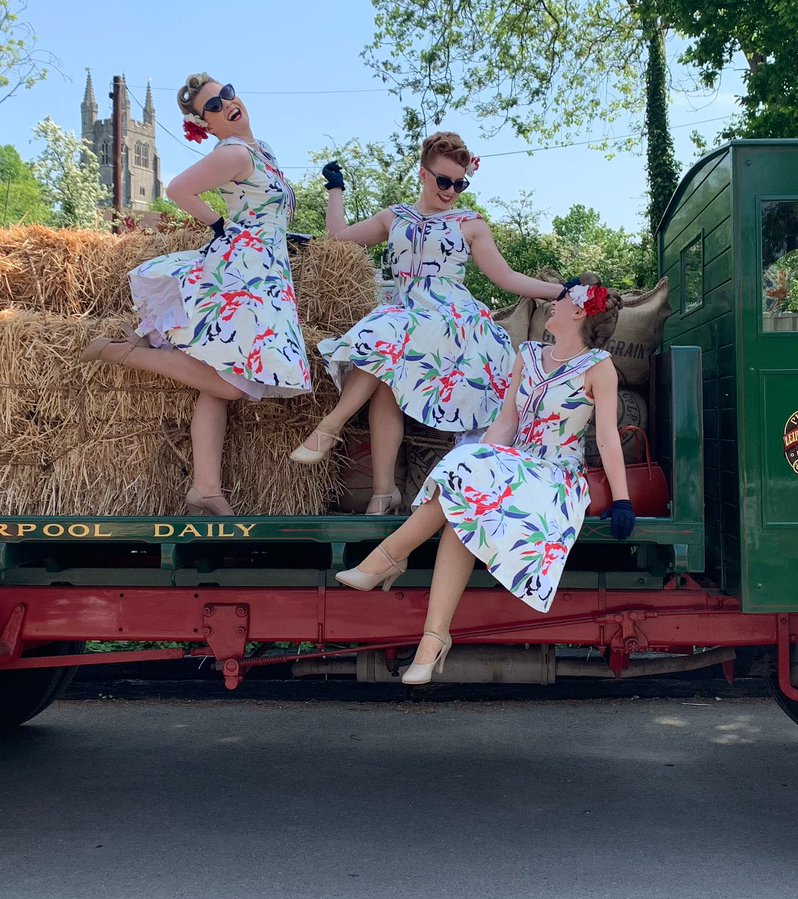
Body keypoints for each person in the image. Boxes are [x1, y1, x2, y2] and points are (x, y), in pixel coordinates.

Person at [334, 279, 636, 684]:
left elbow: (606, 437)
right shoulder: (527, 354)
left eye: (560, 300)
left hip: (554, 477)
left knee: (471, 483)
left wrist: (623, 500)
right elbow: (507, 421)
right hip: (513, 464)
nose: (552, 305)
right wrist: (480, 459)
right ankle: (433, 635)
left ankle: (390, 558)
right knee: (467, 499)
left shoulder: (599, 367)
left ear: (578, 312)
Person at [289, 131, 565, 515]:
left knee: (387, 334)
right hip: (405, 311)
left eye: (460, 183)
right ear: (423, 174)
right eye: (444, 181)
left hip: (452, 320)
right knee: (386, 373)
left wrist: (561, 291)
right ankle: (384, 493)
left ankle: (329, 427)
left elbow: (505, 277)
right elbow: (338, 239)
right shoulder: (395, 217)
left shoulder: (470, 223)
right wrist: (335, 189)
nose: (451, 191)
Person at [81, 73, 309, 515]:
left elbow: (262, 208)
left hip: (266, 270)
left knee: (222, 377)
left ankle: (205, 489)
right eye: (212, 106)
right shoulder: (235, 151)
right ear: (203, 124)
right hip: (245, 272)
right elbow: (178, 190)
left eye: (225, 94)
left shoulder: (262, 150)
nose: (226, 104)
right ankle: (119, 352)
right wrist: (221, 226)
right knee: (233, 385)